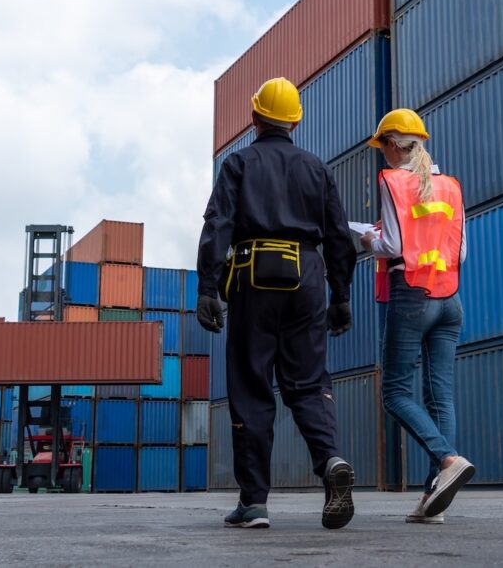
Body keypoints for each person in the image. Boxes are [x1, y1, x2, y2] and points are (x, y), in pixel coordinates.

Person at [196, 77, 357, 530]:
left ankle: (254, 503)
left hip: (254, 276)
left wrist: (208, 287)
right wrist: (341, 296)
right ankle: (329, 462)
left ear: (254, 117)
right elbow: (340, 239)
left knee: (251, 386)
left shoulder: (238, 164)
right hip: (308, 278)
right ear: (295, 123)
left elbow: (218, 225)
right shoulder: (317, 168)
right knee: (307, 382)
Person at [360, 108, 475, 524]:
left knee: (395, 392)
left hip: (411, 298)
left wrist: (368, 237)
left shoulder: (393, 181)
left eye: (382, 147)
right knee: (440, 397)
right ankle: (432, 500)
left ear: (392, 144)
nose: (382, 155)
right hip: (450, 300)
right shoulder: (451, 187)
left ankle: (447, 459)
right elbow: (459, 253)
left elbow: (391, 245)